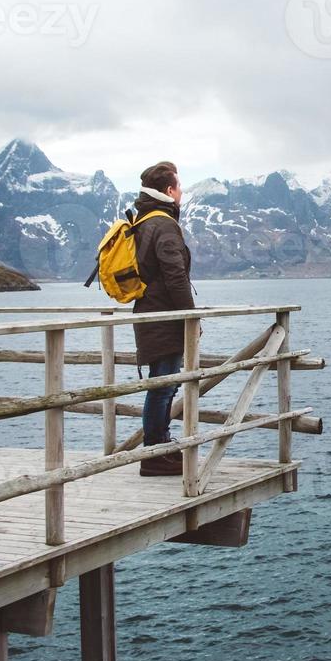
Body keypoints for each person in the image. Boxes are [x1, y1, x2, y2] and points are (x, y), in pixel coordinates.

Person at [131, 161, 196, 476]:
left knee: (162, 385)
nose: (182, 192)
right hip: (164, 317)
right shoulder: (164, 225)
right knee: (163, 387)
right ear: (170, 191)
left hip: (150, 314)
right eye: (179, 186)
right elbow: (175, 276)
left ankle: (159, 449)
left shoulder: (144, 220)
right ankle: (155, 454)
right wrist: (190, 318)